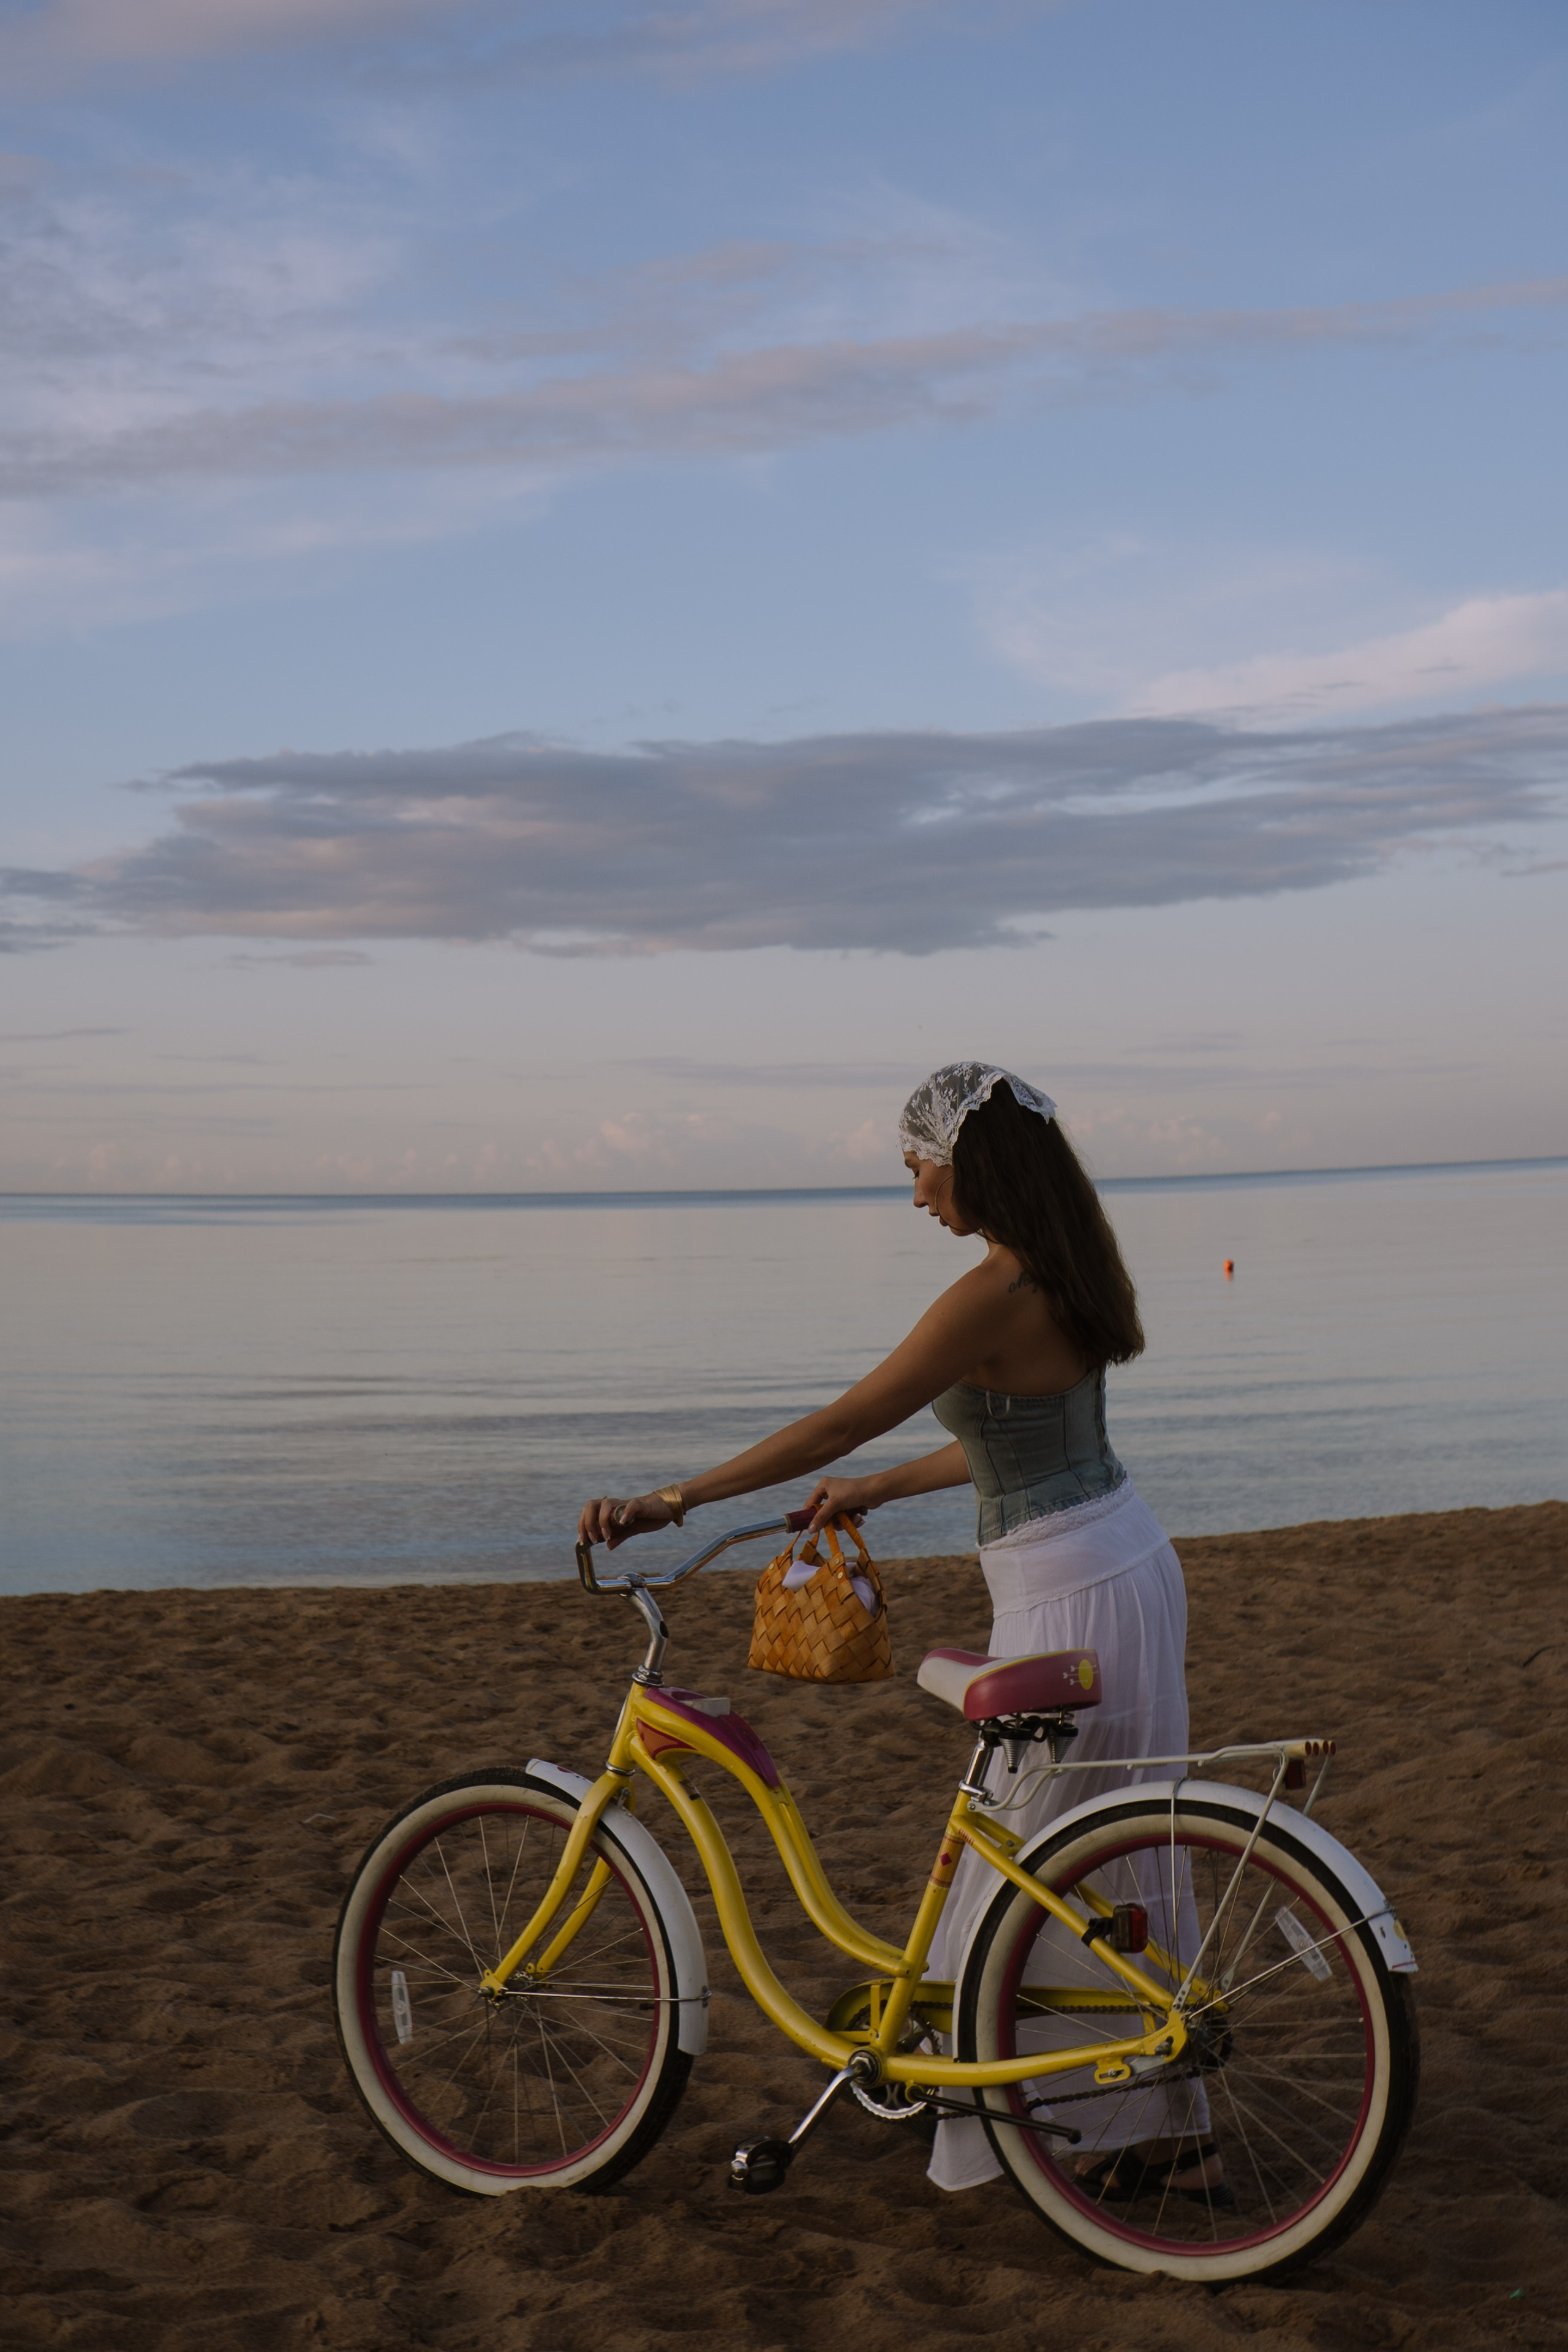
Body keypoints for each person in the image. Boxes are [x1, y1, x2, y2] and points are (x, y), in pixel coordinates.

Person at [577, 1061, 1219, 2204]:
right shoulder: (1066, 1267)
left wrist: (670, 1500)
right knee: (1105, 1851)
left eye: (918, 1165)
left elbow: (840, 1417)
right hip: (1124, 1556)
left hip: (1065, 1589)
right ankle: (1144, 2119)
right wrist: (878, 1491)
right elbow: (1024, 1441)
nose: (915, 1192)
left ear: (968, 1163)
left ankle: (1076, 2114)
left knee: (1034, 1866)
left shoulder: (992, 1290)